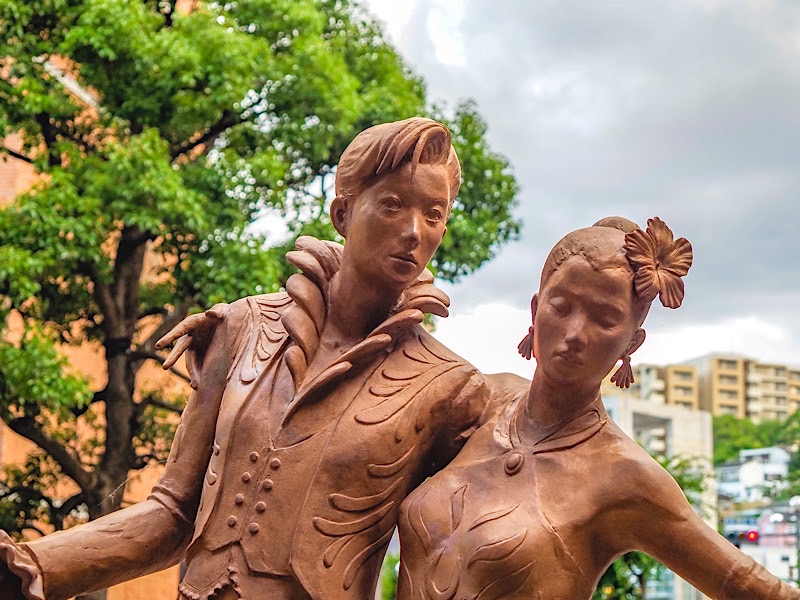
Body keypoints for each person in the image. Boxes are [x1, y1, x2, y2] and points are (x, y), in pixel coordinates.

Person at [0, 118, 501, 600]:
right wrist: (37, 564)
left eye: (434, 215)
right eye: (392, 205)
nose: (414, 231)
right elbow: (172, 513)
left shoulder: (451, 390)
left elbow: (468, 551)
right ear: (342, 214)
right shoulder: (243, 326)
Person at [396, 217, 800, 599]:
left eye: (604, 319)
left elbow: (746, 584)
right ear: (535, 310)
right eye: (561, 306)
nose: (575, 333)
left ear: (631, 343)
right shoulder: (482, 401)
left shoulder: (626, 477)